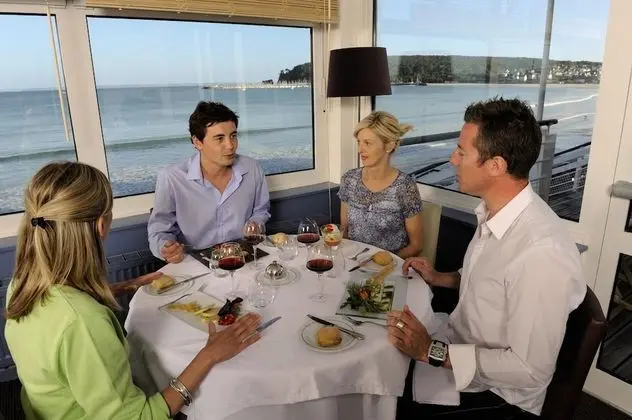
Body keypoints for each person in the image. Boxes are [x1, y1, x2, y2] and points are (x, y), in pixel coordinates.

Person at [5, 162, 262, 419]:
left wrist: (119, 287)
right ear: (101, 225)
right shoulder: (84, 323)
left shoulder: (23, 283)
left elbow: (61, 316)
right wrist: (209, 356)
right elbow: (138, 417)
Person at [388, 98, 586, 419]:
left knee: (389, 399)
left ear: (495, 165)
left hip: (499, 397)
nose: (452, 159)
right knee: (387, 362)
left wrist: (430, 351)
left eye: (462, 152)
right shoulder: (495, 213)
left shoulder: (542, 253)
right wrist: (440, 277)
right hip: (459, 346)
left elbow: (529, 369)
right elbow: (492, 285)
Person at [148, 101, 271, 263]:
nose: (230, 145)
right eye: (219, 138)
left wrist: (256, 224)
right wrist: (166, 248)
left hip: (243, 257)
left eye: (233, 136)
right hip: (194, 262)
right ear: (197, 142)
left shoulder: (252, 168)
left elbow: (261, 211)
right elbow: (159, 230)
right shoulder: (171, 178)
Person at [338, 111, 424, 258]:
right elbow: (344, 231)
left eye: (368, 143)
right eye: (359, 142)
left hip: (390, 268)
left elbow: (416, 246)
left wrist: (384, 263)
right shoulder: (349, 179)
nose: (360, 150)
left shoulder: (405, 186)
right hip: (353, 263)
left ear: (389, 145)